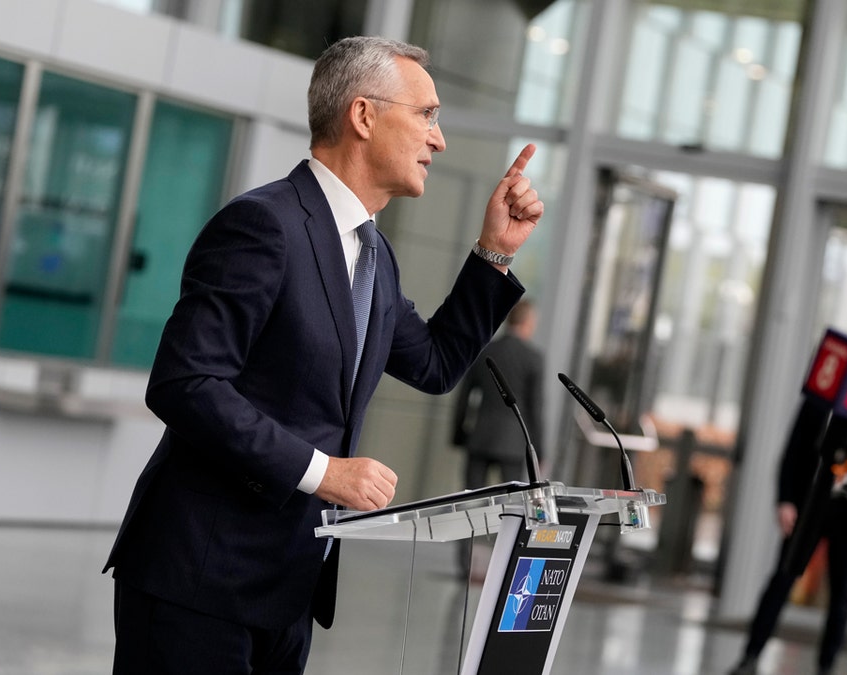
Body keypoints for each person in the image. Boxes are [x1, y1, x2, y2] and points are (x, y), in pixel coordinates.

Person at [103, 37, 544, 675]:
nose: (439, 140)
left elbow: (436, 364)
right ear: (363, 116)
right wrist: (323, 472)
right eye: (426, 115)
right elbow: (185, 382)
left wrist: (494, 253)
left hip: (289, 589)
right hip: (197, 582)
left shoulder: (374, 256)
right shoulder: (262, 225)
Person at [728, 396, 847, 675]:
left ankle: (826, 667)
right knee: (781, 581)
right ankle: (750, 658)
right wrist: (785, 500)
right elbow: (794, 450)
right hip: (809, 506)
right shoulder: (822, 399)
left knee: (841, 595)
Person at [451, 299, 544, 487]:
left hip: (480, 437)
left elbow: (465, 396)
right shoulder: (533, 358)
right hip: (513, 443)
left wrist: (459, 434)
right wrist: (539, 451)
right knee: (511, 505)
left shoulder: (485, 350)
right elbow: (536, 408)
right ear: (528, 323)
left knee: (471, 501)